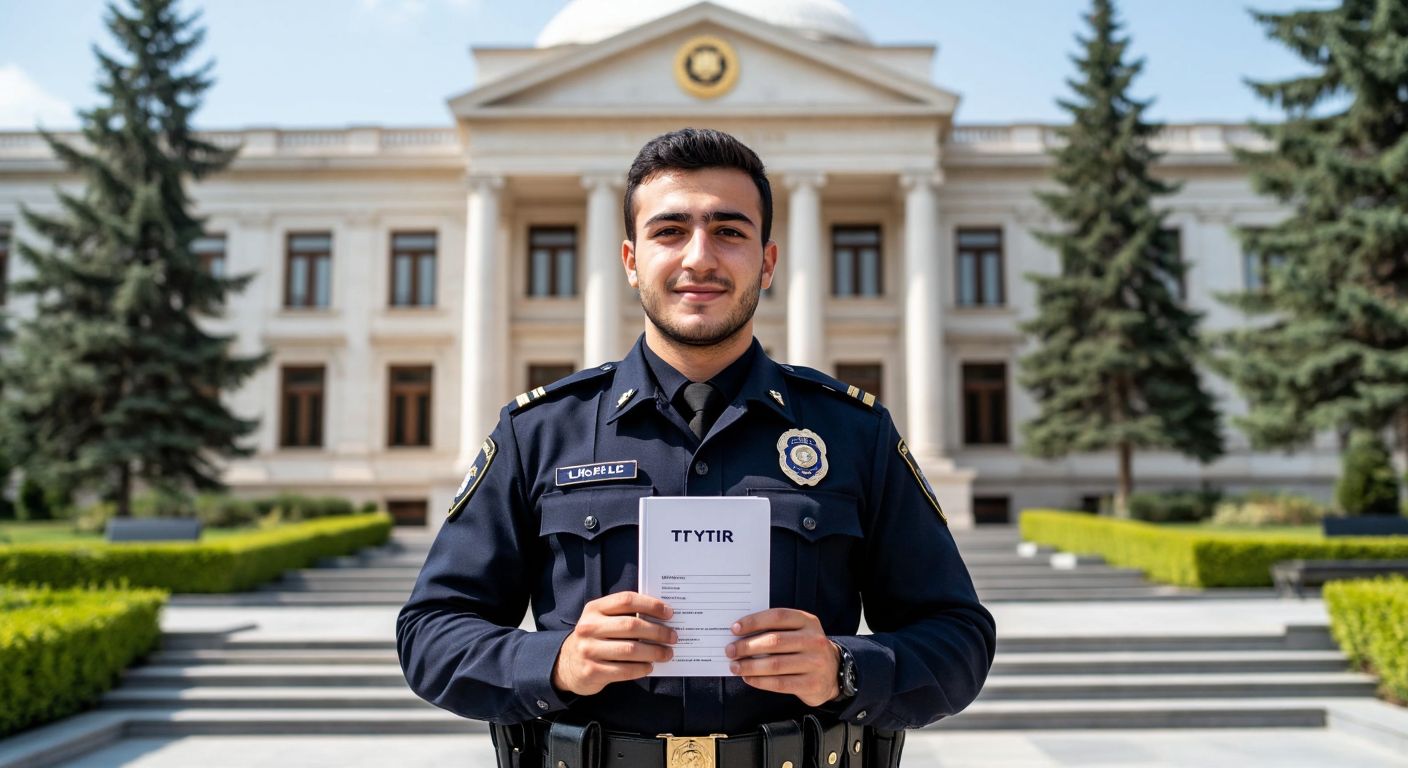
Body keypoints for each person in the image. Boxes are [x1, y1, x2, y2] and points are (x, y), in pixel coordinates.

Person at [397, 128, 995, 768]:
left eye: (729, 231)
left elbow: (959, 639)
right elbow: (431, 633)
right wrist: (556, 663)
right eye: (670, 231)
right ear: (630, 260)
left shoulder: (853, 433)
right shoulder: (540, 432)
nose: (699, 258)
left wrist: (845, 669)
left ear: (767, 262)